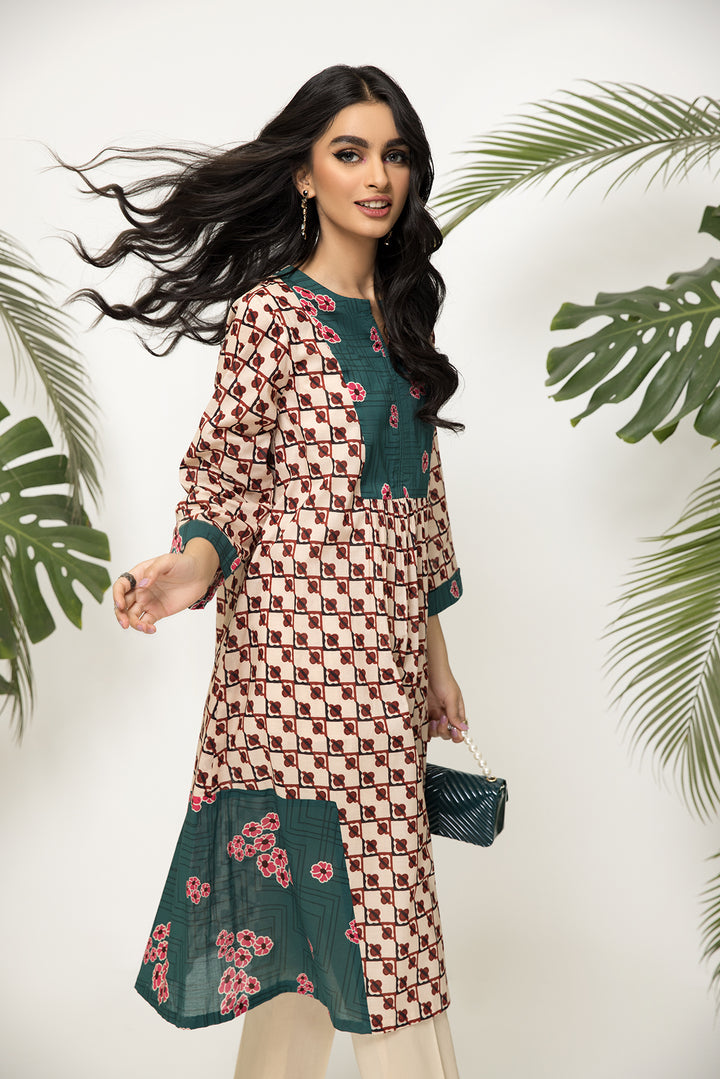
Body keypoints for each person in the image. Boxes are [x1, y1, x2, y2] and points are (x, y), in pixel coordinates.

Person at [80, 64, 467, 1079]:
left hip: (382, 669)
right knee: (376, 925)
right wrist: (187, 567)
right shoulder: (271, 315)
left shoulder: (402, 322)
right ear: (304, 173)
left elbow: (420, 511)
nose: (377, 176)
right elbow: (226, 473)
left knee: (322, 920)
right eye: (350, 153)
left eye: (394, 154)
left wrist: (434, 659)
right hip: (290, 668)